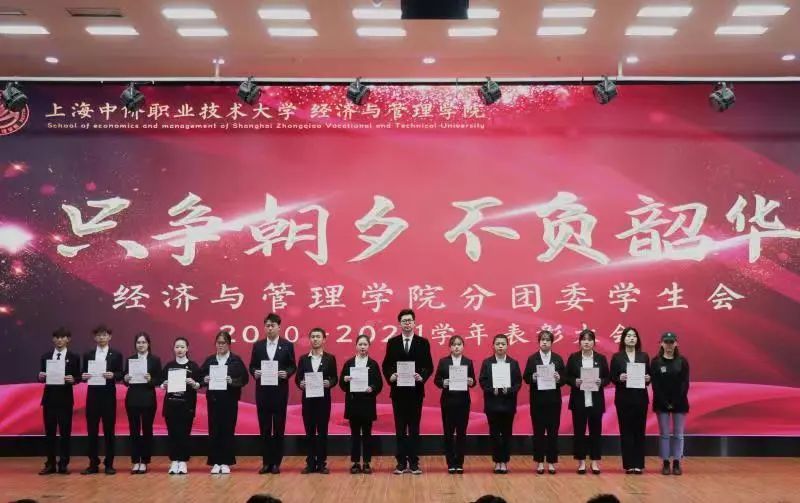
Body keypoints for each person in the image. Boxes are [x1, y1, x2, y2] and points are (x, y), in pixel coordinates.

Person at [381, 308, 433, 475]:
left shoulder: (423, 342)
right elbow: (386, 365)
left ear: (414, 323)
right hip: (398, 393)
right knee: (400, 429)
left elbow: (429, 366)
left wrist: (422, 376)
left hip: (416, 392)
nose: (407, 323)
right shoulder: (392, 342)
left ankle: (414, 463)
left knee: (414, 429)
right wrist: (391, 376)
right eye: (404, 321)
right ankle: (401, 463)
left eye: (410, 320)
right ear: (400, 324)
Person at [249, 312, 296, 474]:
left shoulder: (287, 345)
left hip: (279, 392)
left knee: (278, 427)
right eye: (267, 325)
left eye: (272, 325)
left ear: (279, 327)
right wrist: (254, 372)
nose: (269, 328)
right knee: (264, 427)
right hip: (263, 392)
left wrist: (286, 373)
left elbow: (292, 366)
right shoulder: (258, 345)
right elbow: (252, 366)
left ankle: (276, 462)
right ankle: (266, 462)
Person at [201, 330, 249, 474]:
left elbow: (244, 379)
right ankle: (215, 462)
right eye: (218, 343)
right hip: (214, 401)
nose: (220, 345)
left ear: (229, 344)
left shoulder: (236, 360)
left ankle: (226, 461)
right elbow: (200, 376)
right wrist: (204, 379)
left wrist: (232, 381)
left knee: (228, 431)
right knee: (214, 430)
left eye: (223, 343)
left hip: (229, 401)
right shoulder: (210, 360)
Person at [565, 329, 610, 475]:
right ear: (580, 342)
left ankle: (595, 461)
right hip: (579, 399)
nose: (586, 342)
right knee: (579, 432)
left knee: (595, 432)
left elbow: (607, 377)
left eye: (589, 339)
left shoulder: (601, 358)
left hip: (596, 400)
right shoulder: (574, 358)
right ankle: (581, 462)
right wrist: (575, 381)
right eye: (584, 339)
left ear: (594, 342)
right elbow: (567, 377)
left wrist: (601, 381)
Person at [37, 327, 81, 475]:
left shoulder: (74, 357)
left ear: (68, 339)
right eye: (57, 337)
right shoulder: (46, 356)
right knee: (49, 434)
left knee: (65, 434)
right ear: (53, 339)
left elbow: (78, 377)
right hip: (49, 400)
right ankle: (50, 464)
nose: (60, 340)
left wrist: (73, 379)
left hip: (65, 400)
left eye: (63, 337)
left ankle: (63, 464)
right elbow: (41, 376)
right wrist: (40, 377)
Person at [80, 324, 123, 475]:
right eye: (98, 335)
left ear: (109, 337)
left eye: (104, 335)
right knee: (92, 431)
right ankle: (93, 463)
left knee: (109, 431)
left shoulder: (116, 354)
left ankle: (109, 463)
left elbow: (121, 374)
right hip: (92, 397)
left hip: (108, 397)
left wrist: (113, 375)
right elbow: (82, 374)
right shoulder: (88, 354)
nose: (101, 338)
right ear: (94, 337)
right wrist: (83, 376)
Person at [522, 329, 566, 474]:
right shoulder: (532, 358)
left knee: (553, 432)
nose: (545, 342)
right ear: (539, 342)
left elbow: (564, 379)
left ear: (552, 342)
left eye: (547, 340)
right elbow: (526, 377)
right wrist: (533, 377)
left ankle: (552, 462)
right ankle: (540, 462)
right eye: (542, 340)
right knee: (538, 432)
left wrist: (559, 378)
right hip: (537, 401)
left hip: (554, 401)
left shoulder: (558, 359)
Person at [295, 328, 338, 474]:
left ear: (324, 339)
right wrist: (300, 383)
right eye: (313, 336)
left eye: (318, 336)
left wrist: (329, 383)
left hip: (323, 401)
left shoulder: (330, 358)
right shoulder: (303, 359)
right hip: (308, 401)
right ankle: (310, 463)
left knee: (322, 433)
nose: (315, 339)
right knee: (309, 433)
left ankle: (321, 463)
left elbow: (334, 377)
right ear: (310, 339)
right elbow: (298, 378)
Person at [339, 334, 383, 474]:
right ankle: (356, 463)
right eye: (360, 344)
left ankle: (367, 463)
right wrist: (345, 380)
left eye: (365, 344)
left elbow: (379, 384)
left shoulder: (373, 364)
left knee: (367, 435)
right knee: (355, 435)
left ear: (369, 346)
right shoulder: (349, 363)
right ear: (356, 346)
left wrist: (372, 388)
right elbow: (341, 384)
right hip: (353, 404)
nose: (362, 347)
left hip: (367, 404)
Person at [479, 334, 522, 474]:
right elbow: (482, 381)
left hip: (508, 404)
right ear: (493, 346)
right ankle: (497, 461)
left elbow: (518, 383)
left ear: (507, 346)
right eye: (497, 343)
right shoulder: (487, 362)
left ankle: (504, 462)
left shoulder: (513, 363)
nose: (500, 346)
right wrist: (493, 390)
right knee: (495, 435)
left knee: (507, 434)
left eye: (503, 343)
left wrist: (508, 390)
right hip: (492, 404)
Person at [609, 326, 650, 474]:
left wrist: (648, 378)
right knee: (626, 431)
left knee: (639, 431)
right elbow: (612, 377)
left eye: (634, 336)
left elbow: (648, 376)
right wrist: (619, 378)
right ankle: (628, 464)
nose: (631, 338)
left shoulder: (644, 356)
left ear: (637, 339)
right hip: (624, 399)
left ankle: (638, 464)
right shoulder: (617, 357)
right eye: (628, 336)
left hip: (640, 398)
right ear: (623, 339)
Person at [433, 335, 476, 474]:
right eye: (454, 344)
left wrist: (471, 382)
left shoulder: (468, 362)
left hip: (463, 402)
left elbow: (473, 381)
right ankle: (451, 463)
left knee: (462, 433)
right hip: (448, 402)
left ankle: (460, 463)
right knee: (448, 434)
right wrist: (443, 383)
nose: (456, 347)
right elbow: (436, 380)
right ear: (450, 347)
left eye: (459, 344)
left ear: (463, 346)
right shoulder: (443, 361)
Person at [160, 337, 202, 475]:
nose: (180, 349)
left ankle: (183, 461)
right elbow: (161, 383)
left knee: (184, 434)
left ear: (187, 349)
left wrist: (194, 383)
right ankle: (174, 461)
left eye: (182, 347)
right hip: (171, 405)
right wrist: (164, 384)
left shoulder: (193, 366)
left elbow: (199, 384)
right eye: (177, 347)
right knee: (173, 434)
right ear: (174, 349)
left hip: (187, 406)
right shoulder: (169, 365)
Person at [651, 331, 690, 476]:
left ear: (676, 344)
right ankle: (666, 462)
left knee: (678, 434)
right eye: (666, 342)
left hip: (679, 402)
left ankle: (677, 462)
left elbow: (685, 383)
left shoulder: (682, 361)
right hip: (661, 403)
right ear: (661, 344)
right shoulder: (656, 362)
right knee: (664, 434)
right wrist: (665, 401)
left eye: (671, 342)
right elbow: (655, 384)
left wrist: (675, 401)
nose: (669, 345)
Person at [123, 332, 162, 474]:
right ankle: (135, 461)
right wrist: (126, 378)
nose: (141, 345)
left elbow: (159, 380)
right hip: (132, 398)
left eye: (143, 342)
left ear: (148, 344)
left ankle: (144, 461)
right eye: (138, 342)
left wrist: (151, 379)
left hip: (148, 399)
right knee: (134, 431)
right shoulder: (130, 359)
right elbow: (125, 378)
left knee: (147, 430)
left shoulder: (155, 360)